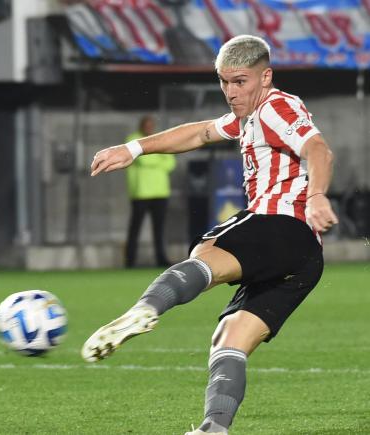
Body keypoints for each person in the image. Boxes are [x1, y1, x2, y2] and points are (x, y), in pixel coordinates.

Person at [83, 35, 338, 435]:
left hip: (281, 224)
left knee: (208, 249)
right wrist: (133, 150)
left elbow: (319, 148)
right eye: (223, 82)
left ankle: (145, 310)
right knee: (229, 339)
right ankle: (213, 429)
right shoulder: (247, 116)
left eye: (240, 82)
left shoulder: (276, 107)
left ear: (265, 76)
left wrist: (319, 195)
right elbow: (200, 133)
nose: (231, 92)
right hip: (305, 261)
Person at [124, 115, 175, 268]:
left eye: (151, 125)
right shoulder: (133, 139)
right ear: (141, 126)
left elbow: (170, 164)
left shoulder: (159, 139)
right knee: (135, 229)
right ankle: (130, 261)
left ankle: (161, 259)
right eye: (146, 125)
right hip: (141, 192)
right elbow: (142, 160)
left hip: (160, 192)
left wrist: (155, 161)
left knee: (159, 229)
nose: (149, 128)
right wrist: (159, 160)